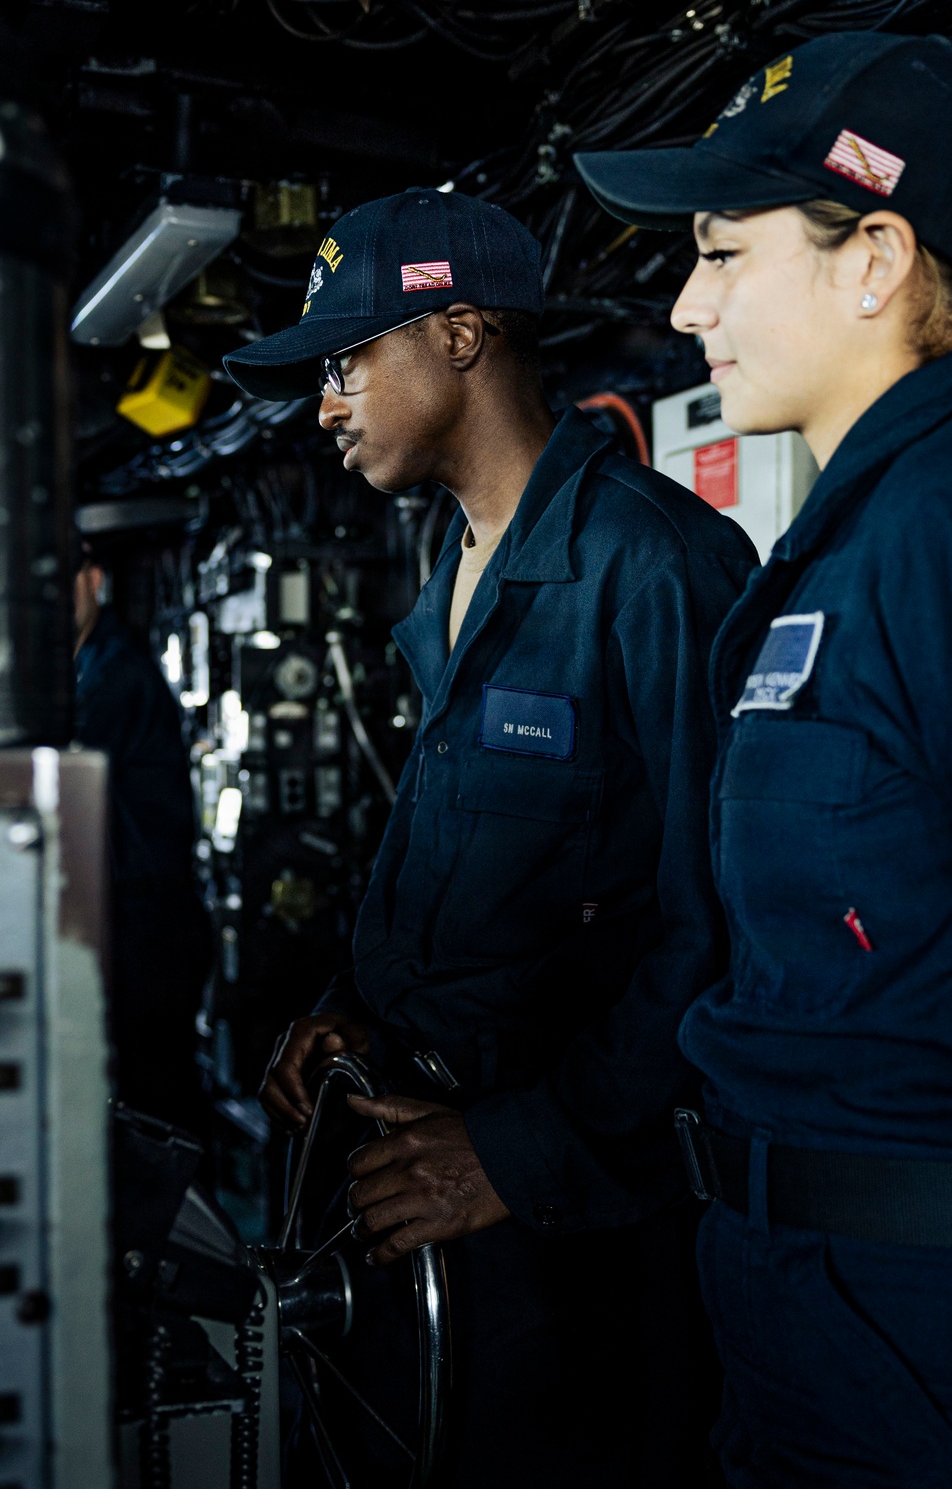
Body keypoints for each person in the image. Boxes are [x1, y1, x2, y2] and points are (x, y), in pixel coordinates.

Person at [224, 187, 758, 1486]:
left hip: (589, 1226)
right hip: (447, 1186)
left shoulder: (652, 563)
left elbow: (720, 924)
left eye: (349, 363)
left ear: (459, 336)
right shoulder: (451, 574)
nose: (327, 406)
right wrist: (363, 1004)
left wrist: (519, 1152)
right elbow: (482, 866)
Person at [576, 29, 952, 1489]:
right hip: (799, 1300)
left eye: (721, 253)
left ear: (874, 257)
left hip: (932, 1329)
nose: (686, 302)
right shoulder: (839, 544)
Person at [74, 549, 211, 1134]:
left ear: (95, 579)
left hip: (145, 943)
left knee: (152, 1125)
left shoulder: (114, 676)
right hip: (130, 937)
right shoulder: (86, 667)